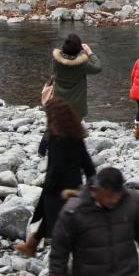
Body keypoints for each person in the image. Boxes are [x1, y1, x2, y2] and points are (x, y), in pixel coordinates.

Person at [14, 95, 96, 257]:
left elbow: (56, 164)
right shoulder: (75, 133)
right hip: (74, 182)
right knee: (48, 213)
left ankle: (68, 254)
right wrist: (92, 179)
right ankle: (31, 245)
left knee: (56, 217)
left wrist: (49, 184)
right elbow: (85, 160)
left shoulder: (56, 136)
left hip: (58, 185)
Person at [50, 33, 101, 119]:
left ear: (63, 46)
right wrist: (89, 52)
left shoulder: (55, 60)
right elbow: (97, 67)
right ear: (78, 50)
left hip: (58, 103)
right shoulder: (82, 64)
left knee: (59, 127)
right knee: (74, 129)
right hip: (77, 107)